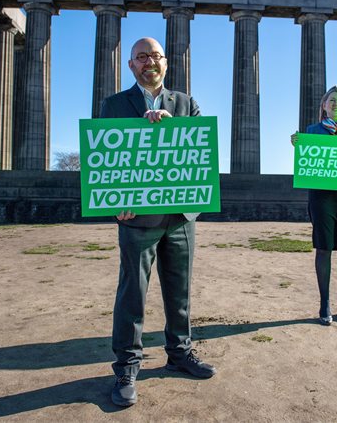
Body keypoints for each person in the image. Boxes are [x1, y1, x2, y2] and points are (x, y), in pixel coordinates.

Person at [99, 37, 216, 407]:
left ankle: (179, 353)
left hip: (181, 216)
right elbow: (105, 157)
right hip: (137, 218)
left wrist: (169, 126)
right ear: (131, 65)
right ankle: (126, 367)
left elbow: (200, 152)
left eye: (156, 55)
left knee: (179, 292)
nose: (150, 61)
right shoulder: (115, 105)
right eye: (142, 56)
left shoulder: (186, 103)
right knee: (132, 294)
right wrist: (114, 203)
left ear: (166, 63)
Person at [290, 85, 337, 326]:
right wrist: (298, 145)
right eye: (331, 100)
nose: (336, 104)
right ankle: (324, 303)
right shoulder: (312, 131)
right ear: (324, 105)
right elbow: (309, 164)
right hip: (322, 196)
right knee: (323, 248)